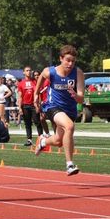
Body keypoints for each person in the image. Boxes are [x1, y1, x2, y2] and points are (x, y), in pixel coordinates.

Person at [34, 45, 85, 176]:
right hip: (52, 106)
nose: (70, 63)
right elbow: (40, 78)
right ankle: (69, 165)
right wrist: (36, 95)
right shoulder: (50, 72)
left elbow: (80, 99)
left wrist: (75, 95)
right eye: (67, 60)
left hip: (70, 110)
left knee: (58, 141)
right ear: (61, 58)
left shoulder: (78, 73)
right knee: (69, 126)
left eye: (73, 61)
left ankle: (43, 141)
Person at [17, 66, 44, 146]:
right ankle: (29, 140)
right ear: (24, 72)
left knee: (37, 122)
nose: (29, 72)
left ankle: (41, 139)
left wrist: (38, 105)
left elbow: (38, 94)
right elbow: (20, 96)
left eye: (30, 70)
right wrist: (19, 108)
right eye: (27, 70)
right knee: (27, 123)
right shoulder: (21, 83)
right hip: (25, 106)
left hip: (33, 105)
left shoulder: (35, 82)